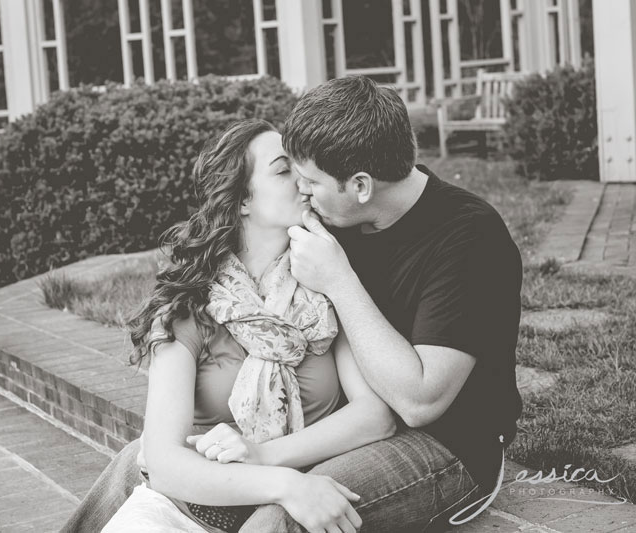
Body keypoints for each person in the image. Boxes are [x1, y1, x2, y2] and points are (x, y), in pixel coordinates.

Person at [61, 76, 523, 532]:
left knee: (280, 517)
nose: (303, 190)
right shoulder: (332, 219)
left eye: (310, 179)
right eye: (290, 173)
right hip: (332, 434)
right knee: (137, 462)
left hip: (444, 443)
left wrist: (340, 280)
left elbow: (418, 405)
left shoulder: (468, 236)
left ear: (361, 186)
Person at [91, 118, 398, 533]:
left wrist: (265, 456)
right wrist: (286, 484)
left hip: (288, 513)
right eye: (283, 169)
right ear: (242, 201)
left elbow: (376, 416)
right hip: (185, 510)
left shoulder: (322, 285)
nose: (303, 179)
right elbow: (163, 463)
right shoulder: (189, 306)